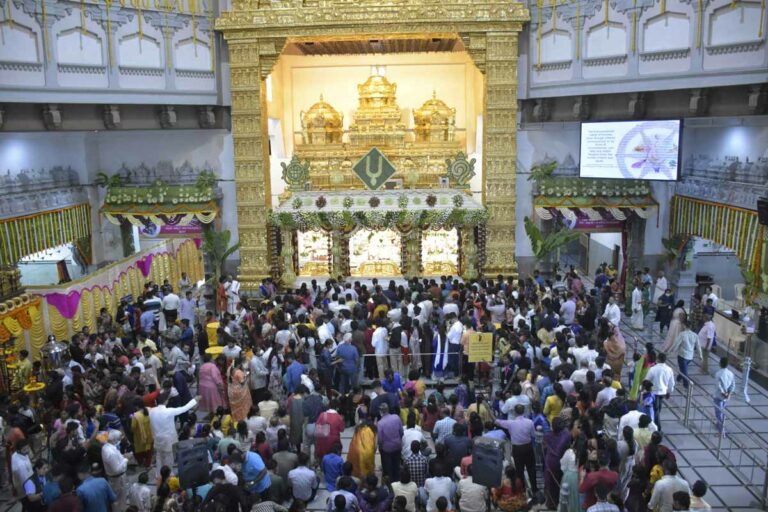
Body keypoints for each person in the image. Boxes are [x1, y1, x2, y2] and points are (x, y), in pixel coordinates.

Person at [148, 392, 199, 478]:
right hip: (168, 440)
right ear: (166, 401)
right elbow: (184, 408)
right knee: (168, 459)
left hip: (157, 439)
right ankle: (168, 475)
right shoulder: (168, 411)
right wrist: (195, 400)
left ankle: (159, 475)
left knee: (159, 457)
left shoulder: (151, 411)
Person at [668, 321, 702, 389]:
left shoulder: (682, 334)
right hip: (690, 356)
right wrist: (700, 355)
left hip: (682, 355)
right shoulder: (695, 335)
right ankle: (678, 378)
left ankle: (686, 385)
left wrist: (671, 350)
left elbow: (676, 343)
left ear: (685, 326)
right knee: (683, 368)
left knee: (684, 371)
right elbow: (698, 346)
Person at [645, 352, 675, 430]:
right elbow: (671, 383)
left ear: (658, 359)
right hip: (663, 392)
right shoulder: (669, 369)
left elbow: (647, 380)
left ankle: (657, 427)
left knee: (656, 409)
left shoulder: (653, 369)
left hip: (654, 392)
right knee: (658, 408)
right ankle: (656, 423)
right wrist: (669, 391)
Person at [101, 430, 128, 512]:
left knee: (121, 497)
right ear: (114, 439)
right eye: (119, 438)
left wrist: (122, 457)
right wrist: (126, 459)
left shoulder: (107, 447)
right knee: (117, 499)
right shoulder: (111, 452)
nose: (120, 440)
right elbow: (117, 469)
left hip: (116, 478)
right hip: (117, 478)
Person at [377, 403, 403, 483]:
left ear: (380, 412)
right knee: (396, 465)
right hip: (398, 446)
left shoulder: (380, 423)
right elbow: (401, 432)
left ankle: (390, 481)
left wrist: (380, 447)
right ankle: (397, 479)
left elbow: (380, 440)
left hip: (387, 449)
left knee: (388, 467)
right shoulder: (396, 417)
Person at [714, 357, 735, 435]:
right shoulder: (731, 373)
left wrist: (723, 393)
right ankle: (718, 425)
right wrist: (728, 394)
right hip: (726, 398)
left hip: (718, 396)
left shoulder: (718, 373)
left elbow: (718, 386)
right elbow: (733, 385)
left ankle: (721, 431)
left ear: (720, 364)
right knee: (722, 410)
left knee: (719, 413)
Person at [228, 356, 253, 423]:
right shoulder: (238, 372)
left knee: (235, 407)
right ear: (239, 364)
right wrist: (246, 376)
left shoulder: (229, 369)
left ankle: (236, 419)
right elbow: (242, 382)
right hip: (240, 391)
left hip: (231, 390)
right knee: (243, 406)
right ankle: (243, 419)